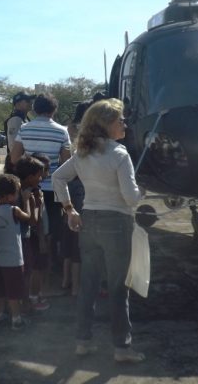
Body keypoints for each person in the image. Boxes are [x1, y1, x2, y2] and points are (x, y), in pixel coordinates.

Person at [52, 98, 146, 364]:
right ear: (107, 125)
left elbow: (58, 177)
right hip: (116, 224)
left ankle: (83, 341)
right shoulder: (119, 153)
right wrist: (142, 192)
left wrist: (70, 209)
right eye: (120, 119)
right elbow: (130, 198)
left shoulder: (82, 152)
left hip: (89, 221)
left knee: (88, 286)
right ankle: (122, 348)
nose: (124, 123)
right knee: (119, 289)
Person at [9, 93, 72, 271]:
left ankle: (31, 262)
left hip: (29, 186)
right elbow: (67, 163)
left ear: (35, 109)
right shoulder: (62, 131)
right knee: (53, 225)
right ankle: (51, 262)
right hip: (52, 186)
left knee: (31, 225)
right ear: (54, 110)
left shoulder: (25, 128)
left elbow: (14, 158)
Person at [0, 173, 39, 331]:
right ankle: (16, 319)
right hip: (14, 259)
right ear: (11, 195)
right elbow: (30, 218)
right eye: (17, 192)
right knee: (14, 291)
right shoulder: (14, 210)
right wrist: (27, 200)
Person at [13, 156, 48, 313]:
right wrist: (37, 204)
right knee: (32, 269)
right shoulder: (27, 194)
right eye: (39, 175)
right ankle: (30, 298)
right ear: (29, 177)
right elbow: (33, 221)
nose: (41, 178)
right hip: (28, 238)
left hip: (24, 238)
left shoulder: (20, 191)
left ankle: (31, 296)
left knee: (33, 268)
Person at [4, 91, 34, 172]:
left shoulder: (24, 118)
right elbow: (13, 146)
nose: (31, 102)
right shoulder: (16, 119)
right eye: (27, 101)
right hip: (18, 166)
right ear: (18, 104)